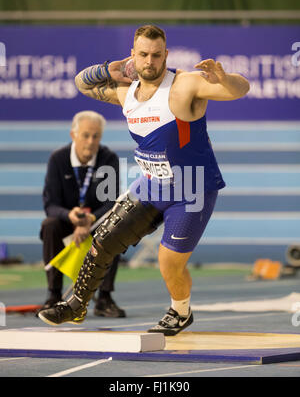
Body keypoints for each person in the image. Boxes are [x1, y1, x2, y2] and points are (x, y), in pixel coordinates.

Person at [38, 25, 249, 335]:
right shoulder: (126, 92)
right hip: (151, 184)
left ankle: (180, 311)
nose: (150, 61)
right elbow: (81, 83)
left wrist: (225, 79)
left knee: (168, 263)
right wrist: (107, 69)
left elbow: (239, 89)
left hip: (191, 188)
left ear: (166, 55)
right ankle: (76, 305)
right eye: (143, 55)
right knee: (102, 242)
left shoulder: (184, 85)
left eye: (157, 55)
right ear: (133, 56)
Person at [39, 110, 126, 318]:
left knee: (115, 226)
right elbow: (50, 204)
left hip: (96, 222)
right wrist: (70, 215)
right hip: (67, 220)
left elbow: (111, 202)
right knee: (49, 224)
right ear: (73, 135)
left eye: (96, 136)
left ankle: (104, 298)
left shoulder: (108, 159)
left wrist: (90, 220)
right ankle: (54, 295)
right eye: (85, 135)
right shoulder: (58, 159)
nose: (90, 141)